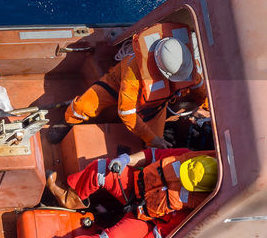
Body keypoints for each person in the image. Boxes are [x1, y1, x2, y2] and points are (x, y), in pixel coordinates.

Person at [23, 151, 219, 238]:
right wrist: (125, 160)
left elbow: (158, 236)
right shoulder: (187, 156)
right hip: (134, 187)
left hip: (145, 221)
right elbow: (152, 155)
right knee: (103, 169)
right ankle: (70, 199)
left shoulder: (194, 208)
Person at [59, 22, 207, 149]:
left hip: (155, 106)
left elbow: (199, 87)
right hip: (116, 88)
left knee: (156, 149)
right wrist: (151, 138)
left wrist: (206, 108)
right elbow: (126, 113)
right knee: (82, 107)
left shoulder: (185, 64)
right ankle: (65, 124)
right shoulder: (133, 69)